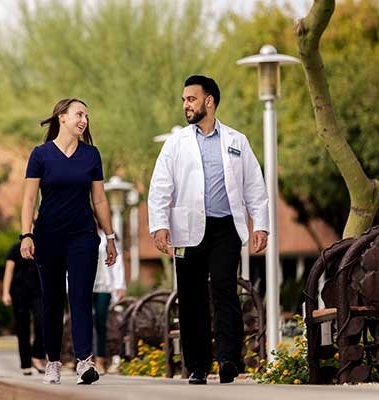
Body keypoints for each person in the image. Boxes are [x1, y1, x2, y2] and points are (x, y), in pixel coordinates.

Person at [148, 75, 269, 384]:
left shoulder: (236, 141)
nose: (186, 104)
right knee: (190, 297)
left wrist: (262, 225)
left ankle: (229, 359)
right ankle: (198, 367)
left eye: (191, 98)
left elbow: (254, 185)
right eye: (184, 100)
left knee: (225, 289)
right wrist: (159, 225)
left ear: (209, 101)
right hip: (188, 229)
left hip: (225, 228)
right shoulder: (176, 143)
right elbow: (160, 185)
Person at [20, 98, 118, 385]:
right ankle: (52, 361)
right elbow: (28, 198)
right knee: (51, 300)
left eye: (86, 115)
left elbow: (99, 199)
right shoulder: (40, 155)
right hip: (48, 238)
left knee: (80, 298)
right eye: (78, 114)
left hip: (83, 238)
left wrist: (110, 237)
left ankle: (84, 361)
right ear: (61, 117)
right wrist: (26, 234)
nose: (84, 119)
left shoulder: (91, 155)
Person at [2, 241, 46, 375]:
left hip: (39, 292)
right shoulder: (15, 248)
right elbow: (9, 271)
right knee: (22, 328)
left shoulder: (43, 246)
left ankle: (37, 356)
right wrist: (5, 292)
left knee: (41, 323)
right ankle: (25, 363)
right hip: (19, 292)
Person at [93, 228, 126, 374]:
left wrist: (119, 285)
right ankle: (83, 360)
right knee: (84, 322)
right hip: (84, 286)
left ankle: (100, 360)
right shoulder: (79, 233)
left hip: (104, 287)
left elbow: (117, 261)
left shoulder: (108, 237)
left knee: (101, 323)